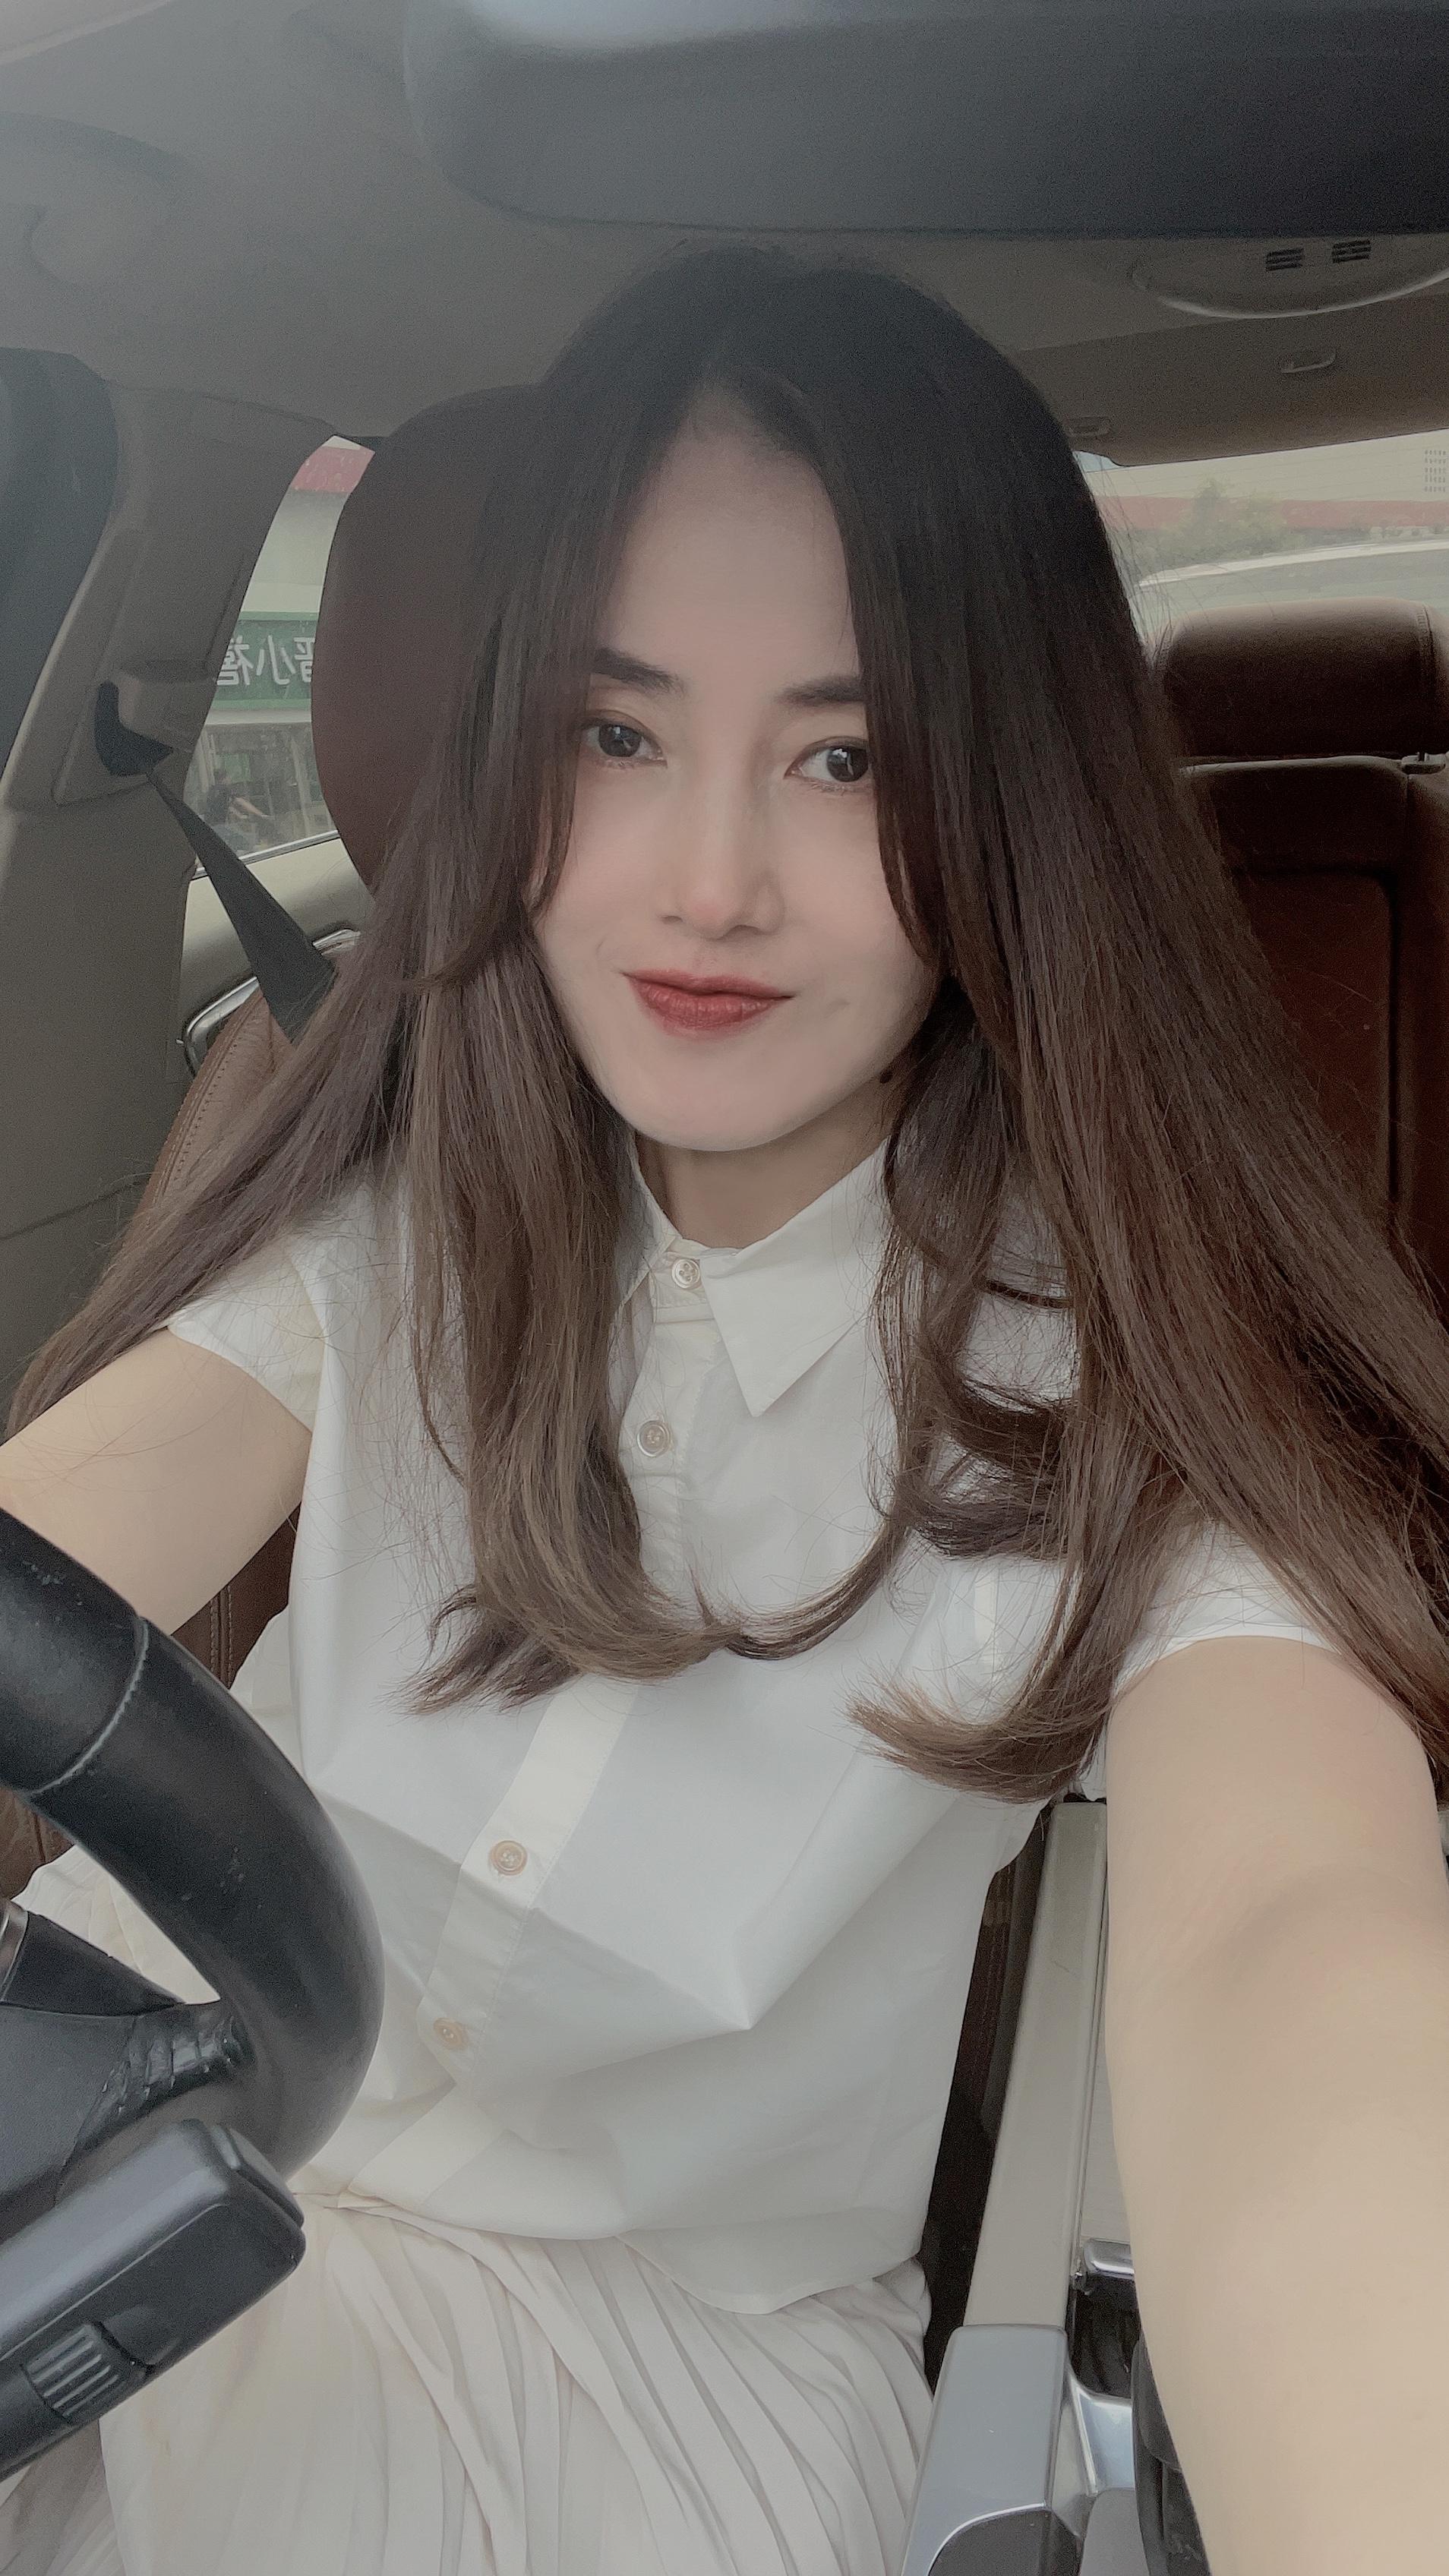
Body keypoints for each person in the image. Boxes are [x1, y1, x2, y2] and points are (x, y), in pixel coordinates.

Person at [2, 244, 1448, 2576]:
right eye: (618, 734)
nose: (706, 884)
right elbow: (57, 1540)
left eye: (844, 757)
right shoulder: (383, 1206)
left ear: (1002, 794)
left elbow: (1292, 1940)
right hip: (114, 2163)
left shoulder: (1135, 1384)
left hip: (654, 2386)